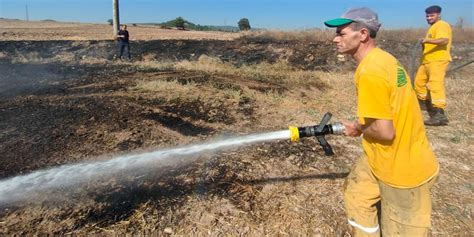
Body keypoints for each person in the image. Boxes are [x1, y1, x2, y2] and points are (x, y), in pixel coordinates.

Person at [324, 7, 439, 236]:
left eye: (342, 33)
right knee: (357, 194)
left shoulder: (370, 71)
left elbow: (385, 132)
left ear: (363, 34)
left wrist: (357, 127)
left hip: (403, 171)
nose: (335, 39)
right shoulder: (384, 59)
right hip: (380, 157)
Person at [414, 5, 452, 126]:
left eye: (432, 15)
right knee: (419, 83)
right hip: (427, 61)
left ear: (438, 15)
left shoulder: (442, 25)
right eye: (427, 16)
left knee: (435, 85)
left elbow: (444, 40)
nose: (429, 18)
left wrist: (426, 40)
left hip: (438, 60)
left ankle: (439, 115)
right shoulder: (433, 27)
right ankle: (426, 106)